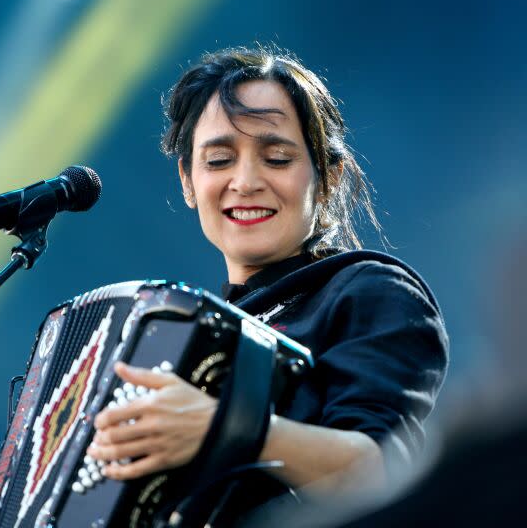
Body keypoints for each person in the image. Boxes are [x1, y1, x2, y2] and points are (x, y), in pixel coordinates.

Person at [85, 45, 449, 522]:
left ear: (329, 179)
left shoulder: (370, 291)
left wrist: (226, 429)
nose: (246, 180)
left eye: (277, 157)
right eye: (217, 161)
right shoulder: (191, 336)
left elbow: (386, 475)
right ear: (188, 182)